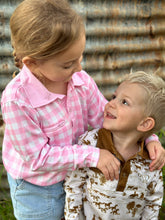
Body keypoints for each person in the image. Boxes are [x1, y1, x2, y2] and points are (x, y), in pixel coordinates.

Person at [1, 0, 164, 219]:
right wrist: (92, 155)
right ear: (32, 64)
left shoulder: (79, 81)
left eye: (80, 57)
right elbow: (37, 159)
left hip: (77, 173)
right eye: (68, 64)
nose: (79, 68)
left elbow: (104, 118)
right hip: (38, 187)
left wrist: (148, 138)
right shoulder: (16, 100)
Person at [64, 71, 165, 220]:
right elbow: (73, 187)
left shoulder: (150, 160)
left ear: (144, 123)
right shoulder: (90, 143)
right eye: (114, 97)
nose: (110, 103)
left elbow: (153, 200)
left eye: (124, 102)